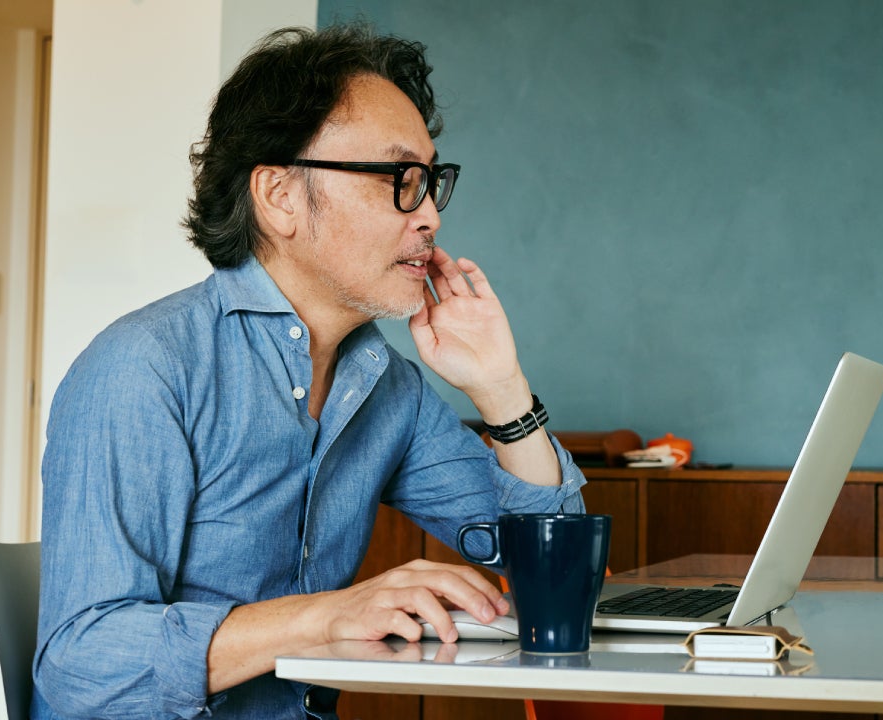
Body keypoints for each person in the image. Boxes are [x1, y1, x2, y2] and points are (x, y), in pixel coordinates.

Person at [33, 24, 585, 720]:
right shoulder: (143, 369)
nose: (432, 216)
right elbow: (82, 664)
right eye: (399, 181)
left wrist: (501, 388)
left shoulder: (389, 388)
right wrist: (323, 618)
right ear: (280, 196)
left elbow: (554, 574)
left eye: (431, 181)